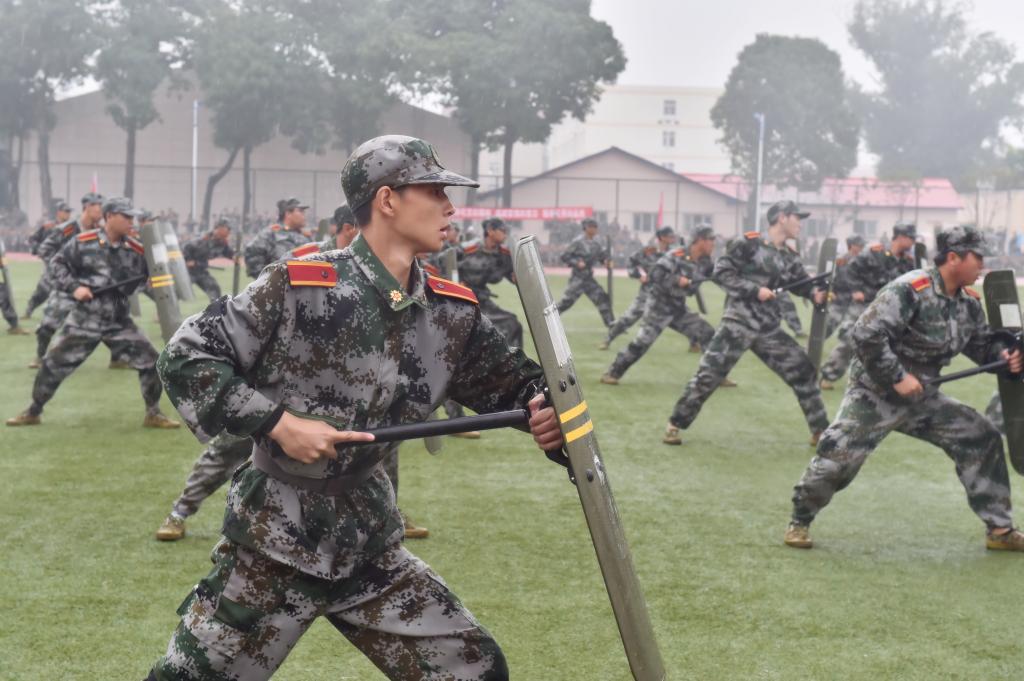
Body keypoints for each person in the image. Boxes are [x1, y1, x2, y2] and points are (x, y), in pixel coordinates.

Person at [146, 134, 562, 681]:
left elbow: (521, 386)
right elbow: (186, 355)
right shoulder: (299, 286)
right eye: (434, 191)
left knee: (474, 668)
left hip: (369, 544)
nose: (450, 207)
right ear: (387, 200)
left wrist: (544, 414)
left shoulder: (450, 313)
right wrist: (277, 423)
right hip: (273, 543)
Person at [785, 225, 1024, 552]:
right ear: (954, 258)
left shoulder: (967, 302)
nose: (982, 264)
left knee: (981, 436)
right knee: (838, 458)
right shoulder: (911, 289)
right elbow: (866, 334)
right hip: (875, 393)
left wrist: (1004, 356)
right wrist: (897, 377)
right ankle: (799, 520)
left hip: (923, 396)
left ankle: (1000, 529)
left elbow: (981, 344)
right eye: (977, 257)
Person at [154, 205, 363, 543]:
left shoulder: (375, 273)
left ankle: (384, 515)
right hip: (277, 378)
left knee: (371, 451)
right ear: (350, 228)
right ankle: (180, 511)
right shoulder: (304, 260)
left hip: (337, 386)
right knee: (230, 448)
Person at [664, 201, 829, 446]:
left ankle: (820, 432)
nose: (800, 224)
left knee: (803, 370)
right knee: (709, 376)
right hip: (738, 324)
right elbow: (721, 272)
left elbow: (801, 283)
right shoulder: (749, 243)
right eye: (797, 218)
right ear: (782, 218)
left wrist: (815, 294)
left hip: (768, 328)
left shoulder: (789, 256)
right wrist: (755, 290)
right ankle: (675, 424)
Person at [5, 197, 180, 429]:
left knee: (152, 362)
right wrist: (75, 288)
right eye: (126, 216)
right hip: (84, 319)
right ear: (109, 216)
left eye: (133, 217)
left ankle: (153, 413)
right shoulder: (83, 242)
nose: (131, 221)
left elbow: (151, 278)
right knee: (52, 365)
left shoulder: (136, 249)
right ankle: (33, 411)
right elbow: (57, 264)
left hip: (119, 321)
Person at [601, 226, 728, 385]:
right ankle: (612, 373)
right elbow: (655, 274)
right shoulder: (676, 255)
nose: (713, 243)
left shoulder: (705, 261)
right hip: (659, 307)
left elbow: (719, 277)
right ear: (700, 240)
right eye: (711, 240)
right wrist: (676, 280)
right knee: (643, 342)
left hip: (678, 308)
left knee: (707, 332)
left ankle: (715, 375)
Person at [819, 223, 918, 390]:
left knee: (890, 347)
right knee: (852, 340)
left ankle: (882, 382)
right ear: (900, 237)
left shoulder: (908, 262)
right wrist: (856, 290)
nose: (913, 242)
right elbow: (851, 269)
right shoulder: (875, 253)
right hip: (865, 305)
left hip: (890, 310)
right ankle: (828, 375)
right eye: (911, 238)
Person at [30, 192, 104, 368]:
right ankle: (40, 356)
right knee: (47, 326)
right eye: (98, 207)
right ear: (87, 207)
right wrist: (61, 269)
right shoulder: (67, 229)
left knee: (109, 322)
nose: (102, 211)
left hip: (92, 286)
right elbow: (44, 250)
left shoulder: (101, 231)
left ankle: (118, 359)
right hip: (66, 286)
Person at [599, 226, 676, 350]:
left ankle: (695, 342)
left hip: (667, 293)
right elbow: (631, 262)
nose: (673, 238)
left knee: (680, 317)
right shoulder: (648, 251)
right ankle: (608, 339)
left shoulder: (674, 253)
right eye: (670, 236)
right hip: (648, 292)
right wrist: (639, 275)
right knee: (629, 317)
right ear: (662, 238)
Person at [457, 217, 522, 348]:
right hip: (462, 300)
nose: (505, 234)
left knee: (513, 324)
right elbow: (446, 265)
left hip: (482, 300)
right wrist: (457, 284)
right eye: (502, 230)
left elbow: (512, 275)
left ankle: (510, 358)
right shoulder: (468, 249)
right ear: (490, 231)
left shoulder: (504, 255)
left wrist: (517, 278)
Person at [555, 218, 614, 326]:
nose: (594, 229)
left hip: (588, 279)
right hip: (578, 278)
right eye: (591, 227)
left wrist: (606, 261)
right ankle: (549, 320)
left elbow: (602, 256)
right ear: (586, 228)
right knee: (566, 302)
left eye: (595, 227)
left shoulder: (597, 243)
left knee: (602, 298)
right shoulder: (578, 242)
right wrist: (577, 262)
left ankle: (611, 324)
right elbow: (564, 256)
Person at [23, 200, 72, 319]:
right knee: (43, 289)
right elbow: (32, 239)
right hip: (50, 264)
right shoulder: (48, 227)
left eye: (69, 212)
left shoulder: (72, 228)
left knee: (67, 288)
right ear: (59, 212)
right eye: (66, 211)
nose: (68, 214)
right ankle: (29, 309)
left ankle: (63, 315)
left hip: (67, 264)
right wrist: (38, 250)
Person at [243, 197, 312, 278]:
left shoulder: (304, 236)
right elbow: (252, 252)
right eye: (300, 211)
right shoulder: (272, 233)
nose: (304, 215)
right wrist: (266, 278)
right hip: (278, 284)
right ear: (288, 214)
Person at [183, 218, 234, 300]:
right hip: (187, 271)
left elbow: (229, 253)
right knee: (178, 290)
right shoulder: (204, 238)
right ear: (219, 228)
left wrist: (235, 256)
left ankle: (216, 308)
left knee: (214, 289)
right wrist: (187, 260)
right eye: (227, 228)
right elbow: (187, 247)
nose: (229, 231)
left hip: (201, 271)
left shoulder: (222, 243)